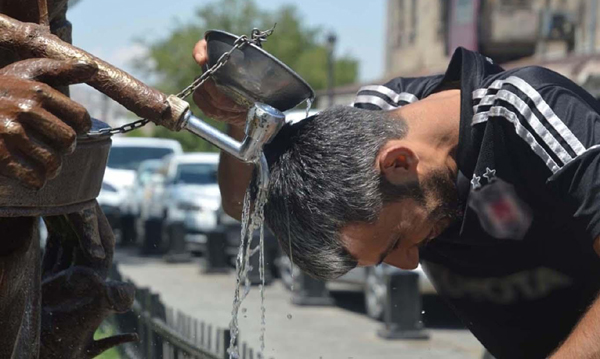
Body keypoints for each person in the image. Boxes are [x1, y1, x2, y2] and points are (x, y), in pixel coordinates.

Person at [193, 39, 600, 359]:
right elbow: (240, 203)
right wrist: (240, 113)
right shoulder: (376, 118)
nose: (409, 264)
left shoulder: (528, 112)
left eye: (396, 244)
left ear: (400, 163)